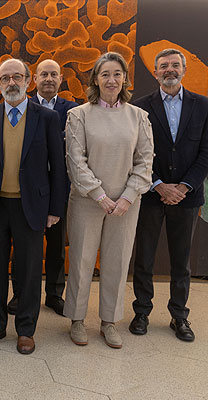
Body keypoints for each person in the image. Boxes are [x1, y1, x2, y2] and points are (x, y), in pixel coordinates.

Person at [0, 58, 66, 354]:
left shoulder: (47, 118)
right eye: (5, 78)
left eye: (16, 77)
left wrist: (55, 209)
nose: (11, 83)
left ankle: (26, 329)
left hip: (32, 206)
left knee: (29, 271)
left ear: (28, 80)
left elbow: (58, 167)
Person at [64, 52, 154, 349]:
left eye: (117, 74)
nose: (111, 80)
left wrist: (127, 197)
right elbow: (75, 161)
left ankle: (109, 322)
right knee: (81, 261)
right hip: (88, 200)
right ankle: (77, 319)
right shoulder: (79, 115)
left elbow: (145, 162)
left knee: (117, 261)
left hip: (126, 204)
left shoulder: (138, 117)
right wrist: (100, 195)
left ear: (125, 79)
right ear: (95, 79)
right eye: (105, 74)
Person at [130, 48, 208, 342]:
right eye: (163, 66)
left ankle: (179, 315)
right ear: (155, 72)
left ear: (184, 70)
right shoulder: (139, 108)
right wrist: (159, 185)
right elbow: (135, 153)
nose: (169, 70)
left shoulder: (203, 106)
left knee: (181, 261)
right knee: (144, 257)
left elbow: (206, 153)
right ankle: (141, 312)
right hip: (151, 194)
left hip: (187, 197)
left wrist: (184, 186)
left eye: (175, 65)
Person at [8, 59, 78, 317]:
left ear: (61, 78)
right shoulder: (21, 107)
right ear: (34, 79)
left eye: (53, 74)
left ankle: (54, 294)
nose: (49, 79)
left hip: (59, 187)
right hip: (27, 188)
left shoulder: (73, 110)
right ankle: (20, 293)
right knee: (23, 245)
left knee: (57, 245)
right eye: (44, 74)